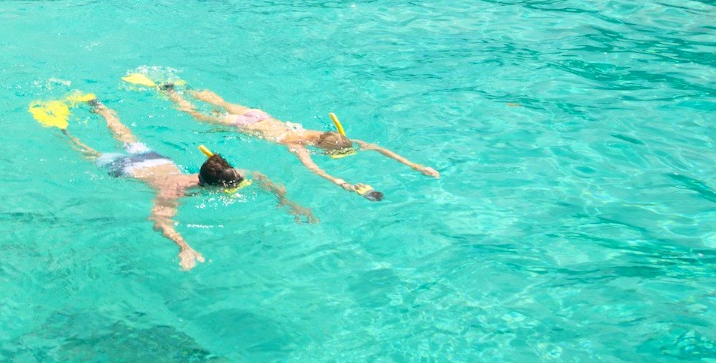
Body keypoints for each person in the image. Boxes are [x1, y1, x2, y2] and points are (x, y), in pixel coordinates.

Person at [61, 99, 315, 270]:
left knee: (124, 134)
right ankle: (63, 131)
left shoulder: (226, 173)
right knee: (88, 152)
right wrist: (185, 247)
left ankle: (101, 108)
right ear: (214, 186)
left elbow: (261, 177)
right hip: (131, 168)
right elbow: (159, 219)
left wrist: (289, 203)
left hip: (155, 159)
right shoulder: (175, 190)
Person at [154, 83, 439, 201]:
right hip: (248, 128)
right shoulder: (297, 146)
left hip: (259, 116)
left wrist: (415, 164)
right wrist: (343, 183)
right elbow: (315, 170)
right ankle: (172, 97)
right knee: (200, 118)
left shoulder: (320, 135)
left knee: (220, 102)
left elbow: (377, 147)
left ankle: (181, 87)